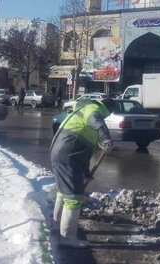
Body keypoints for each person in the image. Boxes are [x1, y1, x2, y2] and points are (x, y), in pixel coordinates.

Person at [50, 98, 116, 248]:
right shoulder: (94, 109)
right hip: (67, 155)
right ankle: (67, 239)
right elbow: (95, 119)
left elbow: (83, 151)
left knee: (64, 192)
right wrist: (105, 138)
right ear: (109, 111)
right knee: (73, 198)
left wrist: (85, 172)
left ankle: (56, 225)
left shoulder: (85, 110)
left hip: (64, 154)